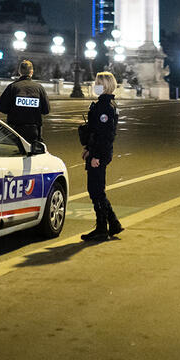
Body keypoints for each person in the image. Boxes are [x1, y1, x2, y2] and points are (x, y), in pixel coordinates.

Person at [81, 71, 123, 241]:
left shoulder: (104, 106)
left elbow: (105, 135)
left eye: (97, 83)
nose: (94, 86)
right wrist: (88, 149)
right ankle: (113, 223)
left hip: (100, 153)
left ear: (104, 86)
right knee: (97, 189)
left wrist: (96, 155)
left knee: (96, 190)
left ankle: (101, 227)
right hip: (98, 151)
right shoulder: (108, 103)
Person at [0, 60, 50, 143]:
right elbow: (46, 110)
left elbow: (2, 108)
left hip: (15, 130)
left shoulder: (12, 87)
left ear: (19, 72)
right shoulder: (39, 88)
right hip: (34, 131)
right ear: (31, 72)